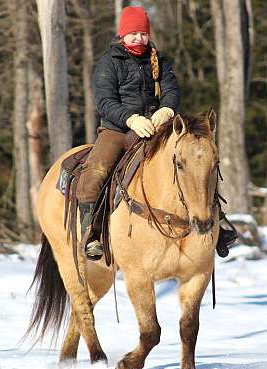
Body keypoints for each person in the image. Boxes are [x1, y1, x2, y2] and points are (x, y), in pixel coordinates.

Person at [76, 6, 236, 260]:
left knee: (196, 160)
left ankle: (217, 222)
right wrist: (130, 118)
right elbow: (105, 101)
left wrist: (167, 110)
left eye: (142, 33)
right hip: (117, 128)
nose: (138, 38)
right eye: (133, 33)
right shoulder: (109, 62)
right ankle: (90, 234)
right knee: (97, 169)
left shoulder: (159, 61)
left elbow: (172, 90)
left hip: (157, 127)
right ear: (122, 35)